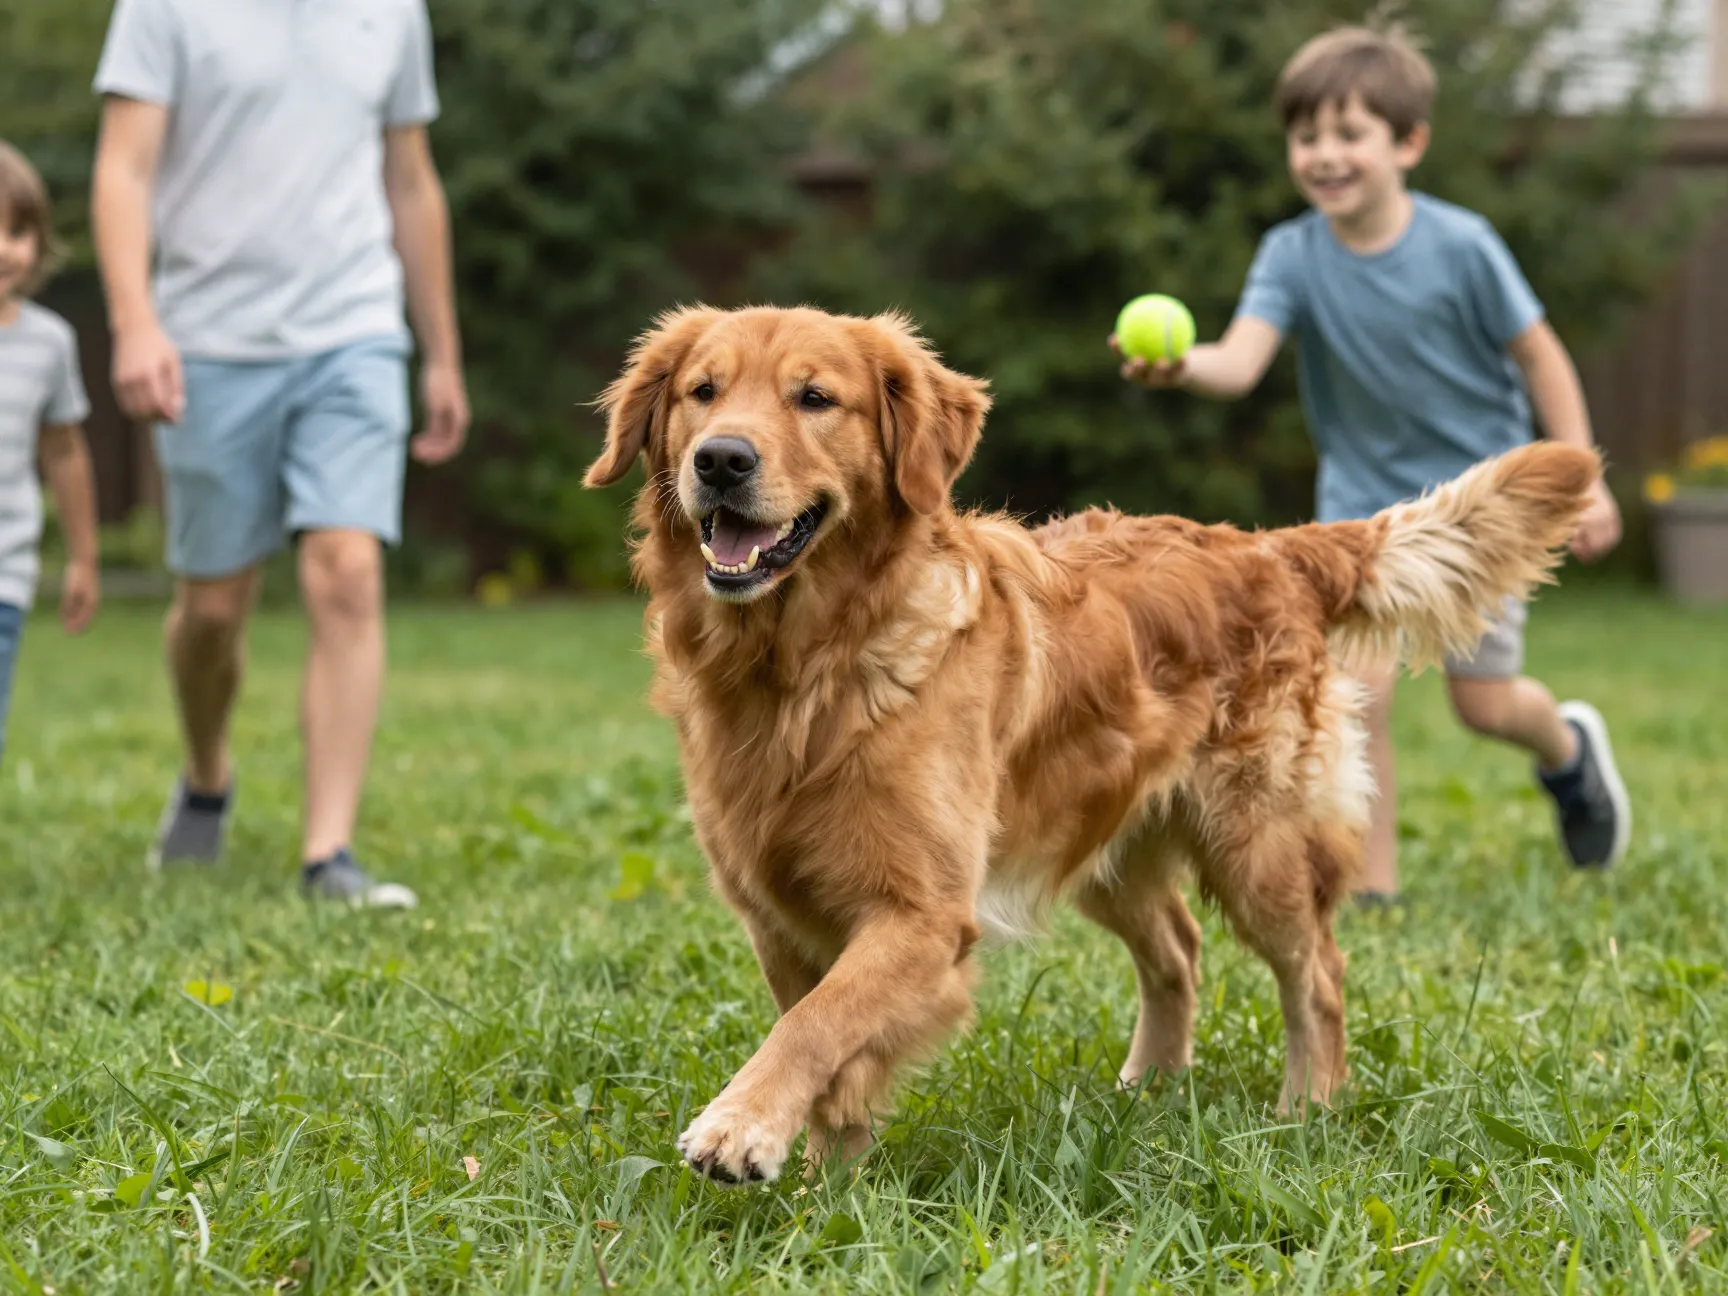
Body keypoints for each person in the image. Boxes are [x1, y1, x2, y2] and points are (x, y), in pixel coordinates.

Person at [1113, 24, 1629, 902]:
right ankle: (1373, 888)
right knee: (1359, 696)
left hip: (1475, 513)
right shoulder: (1292, 253)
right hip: (1359, 514)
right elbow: (1239, 362)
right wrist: (1179, 363)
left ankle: (1570, 752)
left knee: (1487, 706)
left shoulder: (1463, 246)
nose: (1324, 154)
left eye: (1349, 134)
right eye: (1307, 136)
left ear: (1408, 144)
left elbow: (1540, 354)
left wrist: (1587, 480)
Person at [91, 0, 470, 905]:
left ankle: (326, 854)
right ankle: (207, 773)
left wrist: (442, 352)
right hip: (210, 341)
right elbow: (122, 169)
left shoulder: (392, 14)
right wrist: (135, 322)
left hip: (354, 332)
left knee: (345, 570)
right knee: (213, 609)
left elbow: (411, 183)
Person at [0, 141, 102, 766]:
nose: (4, 248)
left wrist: (85, 559)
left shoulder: (49, 344)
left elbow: (65, 454)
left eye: (16, 230)